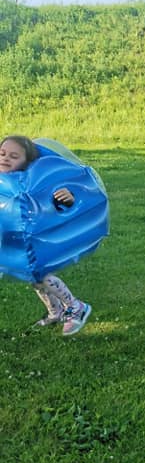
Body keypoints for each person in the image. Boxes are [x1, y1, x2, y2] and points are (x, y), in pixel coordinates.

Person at [0, 135, 92, 335]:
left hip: (35, 240)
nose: (5, 158)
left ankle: (76, 306)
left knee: (41, 276)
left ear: (27, 163)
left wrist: (68, 197)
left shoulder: (34, 182)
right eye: (2, 153)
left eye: (14, 156)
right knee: (33, 278)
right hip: (14, 241)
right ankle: (55, 312)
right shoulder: (3, 182)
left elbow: (60, 197)